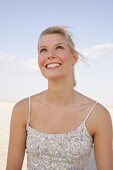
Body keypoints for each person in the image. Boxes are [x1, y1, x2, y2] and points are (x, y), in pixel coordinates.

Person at [6, 26, 113, 170]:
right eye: (43, 50)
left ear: (74, 57)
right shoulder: (23, 110)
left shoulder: (98, 115)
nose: (50, 54)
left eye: (59, 47)